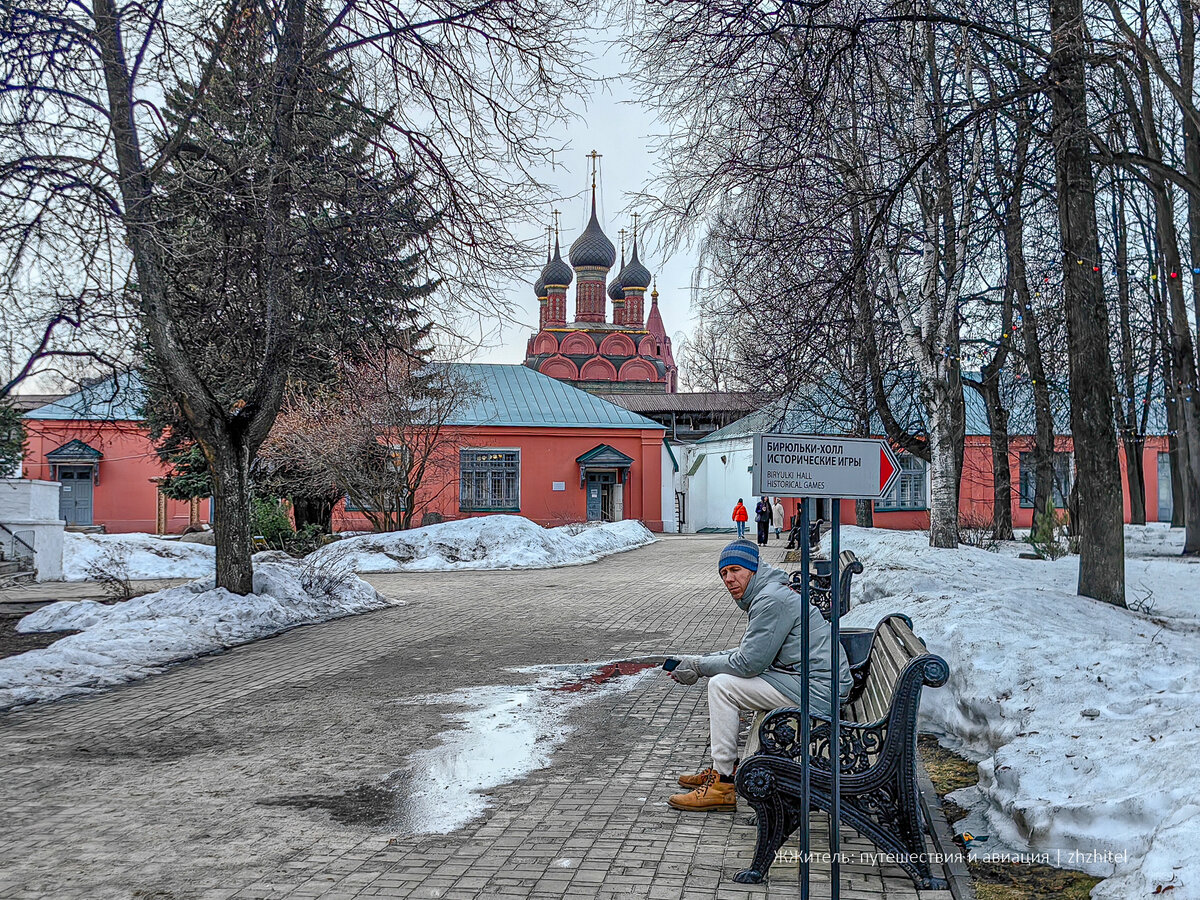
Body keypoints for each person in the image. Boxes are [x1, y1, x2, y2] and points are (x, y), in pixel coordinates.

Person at [665, 540, 852, 812]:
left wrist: (700, 667)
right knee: (724, 682)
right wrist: (698, 661)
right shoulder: (769, 593)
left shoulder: (770, 600)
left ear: (753, 570)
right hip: (809, 681)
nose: (729, 579)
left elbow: (749, 663)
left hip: (818, 690)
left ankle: (723, 782)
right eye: (723, 573)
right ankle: (723, 769)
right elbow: (751, 652)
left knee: (722, 686)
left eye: (735, 570)